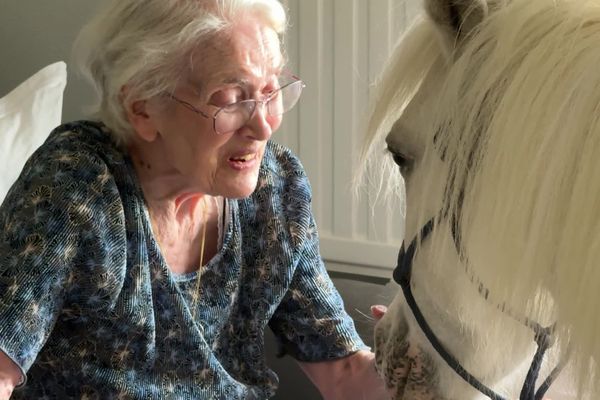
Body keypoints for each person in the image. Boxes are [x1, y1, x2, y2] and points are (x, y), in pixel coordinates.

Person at [0, 0, 390, 399]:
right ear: (143, 108)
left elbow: (345, 375)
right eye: (232, 99)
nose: (263, 126)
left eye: (271, 92)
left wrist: (411, 358)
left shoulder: (276, 190)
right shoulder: (79, 183)